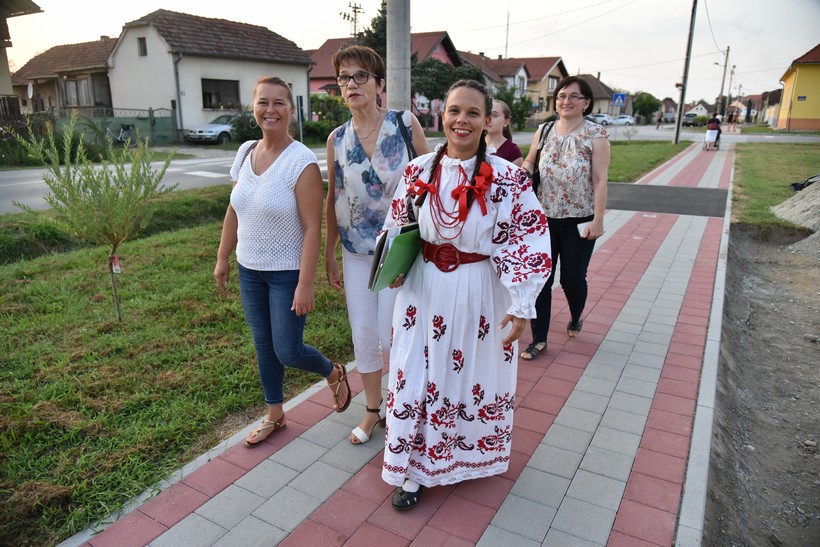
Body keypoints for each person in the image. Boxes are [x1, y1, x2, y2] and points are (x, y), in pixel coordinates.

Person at [381, 79, 552, 510]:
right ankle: (415, 471)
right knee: (417, 373)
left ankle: (463, 457)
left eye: (474, 112)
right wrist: (393, 267)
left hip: (478, 290)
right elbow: (396, 225)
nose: (462, 119)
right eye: (455, 110)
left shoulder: (510, 178)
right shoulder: (419, 169)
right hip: (423, 289)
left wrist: (521, 305)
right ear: (443, 114)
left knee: (467, 375)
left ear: (488, 120)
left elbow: (528, 241)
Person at [214, 76, 351, 448]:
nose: (270, 110)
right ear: (253, 107)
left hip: (286, 274)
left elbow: (311, 229)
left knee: (288, 350)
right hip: (249, 270)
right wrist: (223, 256)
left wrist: (306, 283)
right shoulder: (244, 152)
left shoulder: (301, 162)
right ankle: (275, 415)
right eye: (263, 102)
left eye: (279, 103)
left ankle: (331, 370)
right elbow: (233, 209)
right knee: (264, 347)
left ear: (292, 110)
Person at [324, 45, 430, 446]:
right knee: (364, 334)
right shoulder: (337, 138)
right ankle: (373, 410)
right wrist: (330, 252)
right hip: (355, 254)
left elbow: (434, 178)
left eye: (361, 76)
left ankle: (407, 406)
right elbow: (334, 194)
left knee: (394, 336)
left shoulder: (404, 124)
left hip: (399, 251)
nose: (351, 84)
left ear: (379, 84)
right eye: (344, 78)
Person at [519, 75, 610, 360]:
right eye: (561, 96)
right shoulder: (544, 130)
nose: (565, 101)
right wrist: (523, 171)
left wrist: (598, 220)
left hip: (579, 221)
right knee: (541, 280)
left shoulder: (596, 134)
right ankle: (539, 339)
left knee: (572, 279)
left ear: (585, 103)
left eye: (573, 96)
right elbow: (531, 160)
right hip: (543, 219)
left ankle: (575, 315)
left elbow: (600, 179)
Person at [485, 99, 523, 166]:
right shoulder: (474, 144)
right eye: (487, 114)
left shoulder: (513, 151)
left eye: (494, 115)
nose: (489, 119)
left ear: (506, 122)